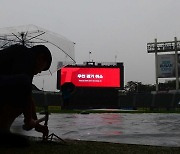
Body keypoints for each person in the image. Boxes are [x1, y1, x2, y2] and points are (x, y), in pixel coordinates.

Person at [0, 44, 52, 146]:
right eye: (43, 67)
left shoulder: (24, 62)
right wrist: (29, 119)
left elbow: (27, 96)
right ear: (40, 58)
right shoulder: (26, 57)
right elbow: (24, 91)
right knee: (22, 83)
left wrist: (35, 122)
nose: (40, 71)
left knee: (21, 94)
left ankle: (3, 130)